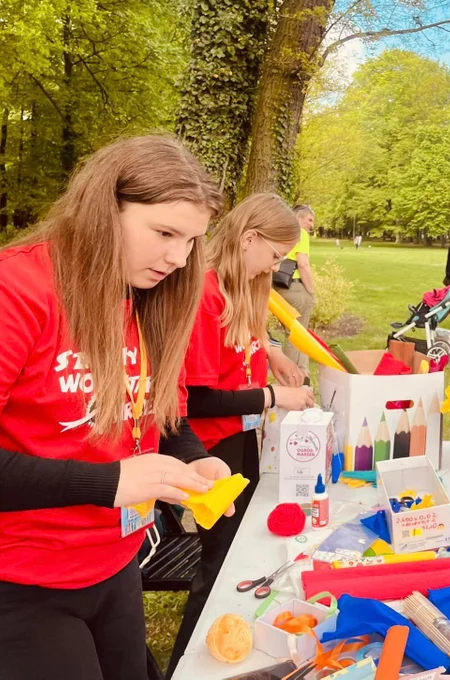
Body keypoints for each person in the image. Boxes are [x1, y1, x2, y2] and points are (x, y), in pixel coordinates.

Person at [0, 135, 229, 680]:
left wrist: (192, 455)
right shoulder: (19, 288)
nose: (178, 258)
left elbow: (156, 418)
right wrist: (108, 483)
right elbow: (113, 473)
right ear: (106, 208)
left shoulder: (142, 295)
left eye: (192, 240)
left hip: (115, 564)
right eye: (164, 233)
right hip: (21, 581)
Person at [165, 193, 316, 676]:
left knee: (240, 548)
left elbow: (245, 338)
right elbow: (199, 399)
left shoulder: (240, 287)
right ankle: (192, 661)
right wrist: (272, 397)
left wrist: (271, 352)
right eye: (273, 256)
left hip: (237, 438)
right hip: (208, 447)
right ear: (248, 238)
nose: (274, 267)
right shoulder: (206, 294)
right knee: (219, 564)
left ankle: (234, 637)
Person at [277, 205, 316, 373]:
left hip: (278, 287)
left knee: (293, 333)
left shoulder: (281, 231)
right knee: (297, 335)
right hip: (295, 286)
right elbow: (303, 264)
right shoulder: (300, 233)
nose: (312, 225)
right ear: (299, 218)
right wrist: (311, 292)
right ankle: (292, 376)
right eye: (310, 219)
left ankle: (303, 373)